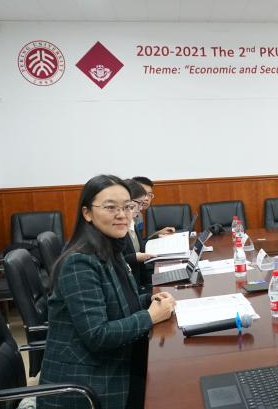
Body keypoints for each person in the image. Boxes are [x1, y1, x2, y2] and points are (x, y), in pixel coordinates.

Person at [39, 175, 176, 409]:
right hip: (90, 383)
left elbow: (119, 302)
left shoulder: (111, 248)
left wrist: (149, 299)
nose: (122, 214)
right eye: (111, 207)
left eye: (128, 206)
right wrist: (150, 316)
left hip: (117, 361)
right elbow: (98, 335)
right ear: (87, 213)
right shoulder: (79, 262)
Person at [122, 178, 156, 291]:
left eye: (149, 195)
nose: (141, 208)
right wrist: (135, 257)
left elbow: (139, 245)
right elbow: (116, 261)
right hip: (132, 285)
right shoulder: (119, 227)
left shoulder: (134, 221)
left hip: (140, 282)